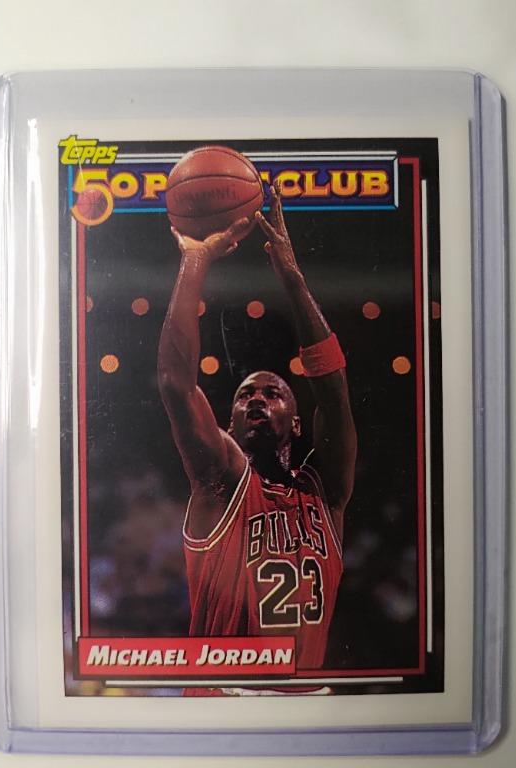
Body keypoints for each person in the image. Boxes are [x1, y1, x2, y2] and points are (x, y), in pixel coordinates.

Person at [158, 185, 357, 694]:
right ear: (229, 424)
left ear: (297, 422)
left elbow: (334, 394)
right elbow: (175, 384)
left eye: (273, 393)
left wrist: (292, 278)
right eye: (246, 395)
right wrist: (196, 258)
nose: (257, 400)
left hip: (308, 701)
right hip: (224, 697)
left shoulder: (326, 492)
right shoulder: (222, 480)